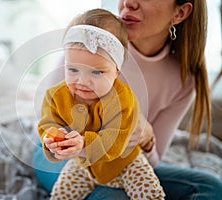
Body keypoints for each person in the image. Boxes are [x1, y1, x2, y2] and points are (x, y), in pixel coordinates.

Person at [33, 0, 222, 199]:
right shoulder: (90, 38)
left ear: (180, 12)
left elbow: (151, 162)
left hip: (120, 159)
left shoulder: (183, 80)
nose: (128, 2)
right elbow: (45, 118)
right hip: (60, 154)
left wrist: (148, 138)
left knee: (209, 187)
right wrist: (67, 141)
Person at [37, 8, 165, 200]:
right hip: (83, 166)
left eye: (97, 72)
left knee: (150, 193)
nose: (82, 81)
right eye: (72, 69)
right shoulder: (55, 96)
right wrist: (51, 139)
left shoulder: (123, 99)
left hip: (125, 164)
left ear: (116, 71)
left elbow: (113, 140)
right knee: (60, 195)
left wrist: (83, 144)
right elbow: (48, 124)